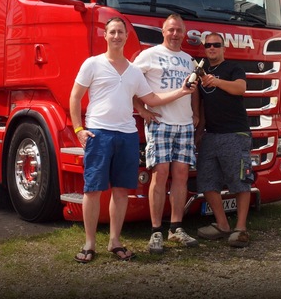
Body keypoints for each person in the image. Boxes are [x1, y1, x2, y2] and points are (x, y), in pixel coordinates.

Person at [69, 17, 195, 263]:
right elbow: (75, 97)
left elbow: (152, 98)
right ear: (105, 35)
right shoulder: (92, 64)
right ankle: (89, 243)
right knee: (93, 190)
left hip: (127, 134)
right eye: (112, 32)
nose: (116, 36)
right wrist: (78, 129)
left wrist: (182, 91)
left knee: (121, 191)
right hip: (99, 133)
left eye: (120, 33)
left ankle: (115, 241)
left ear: (127, 37)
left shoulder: (134, 71)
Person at [133, 14, 200, 254]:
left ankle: (176, 228)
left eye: (179, 30)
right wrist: (141, 110)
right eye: (171, 30)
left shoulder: (189, 60)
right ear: (163, 31)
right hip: (160, 123)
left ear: (184, 33)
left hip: (183, 125)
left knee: (181, 175)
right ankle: (156, 232)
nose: (175, 34)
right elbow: (131, 82)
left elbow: (194, 89)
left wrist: (195, 114)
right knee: (160, 175)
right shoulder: (149, 55)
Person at [195, 32, 252, 248]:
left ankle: (241, 228)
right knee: (207, 181)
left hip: (235, 133)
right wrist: (200, 131)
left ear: (223, 47)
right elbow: (201, 105)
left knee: (239, 181)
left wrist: (217, 81)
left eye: (216, 45)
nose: (211, 48)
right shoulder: (200, 73)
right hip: (211, 134)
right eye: (208, 45)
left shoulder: (233, 68)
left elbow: (241, 88)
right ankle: (222, 225)